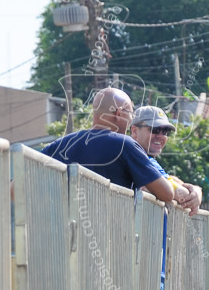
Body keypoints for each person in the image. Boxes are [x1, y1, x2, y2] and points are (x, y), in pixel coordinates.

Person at [41, 87, 174, 203]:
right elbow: (167, 194)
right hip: (110, 229)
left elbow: (29, 168)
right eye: (130, 114)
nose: (131, 120)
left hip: (64, 228)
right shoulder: (126, 145)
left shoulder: (62, 143)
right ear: (119, 113)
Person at [129, 106, 202, 214]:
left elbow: (168, 179)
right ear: (134, 131)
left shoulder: (136, 155)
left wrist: (197, 190)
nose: (160, 136)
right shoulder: (140, 157)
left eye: (165, 132)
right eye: (155, 129)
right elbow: (182, 194)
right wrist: (193, 196)